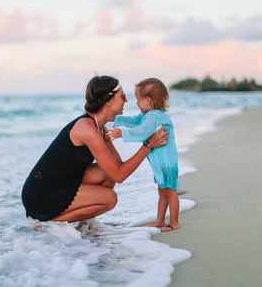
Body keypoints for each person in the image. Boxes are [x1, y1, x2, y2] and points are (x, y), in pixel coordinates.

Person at [21, 75, 169, 225]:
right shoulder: (87, 129)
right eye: (122, 96)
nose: (126, 100)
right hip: (41, 194)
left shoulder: (99, 127)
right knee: (110, 199)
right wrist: (148, 145)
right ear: (109, 100)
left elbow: (116, 168)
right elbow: (120, 175)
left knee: (107, 172)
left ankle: (85, 223)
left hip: (64, 182)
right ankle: (46, 223)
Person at [106, 78, 180, 232]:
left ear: (147, 100)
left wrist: (122, 133)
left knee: (170, 192)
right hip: (162, 163)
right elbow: (135, 121)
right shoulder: (152, 115)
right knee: (162, 191)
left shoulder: (154, 117)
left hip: (166, 163)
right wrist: (117, 118)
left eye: (138, 100)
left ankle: (174, 222)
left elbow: (142, 131)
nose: (136, 103)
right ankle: (160, 220)